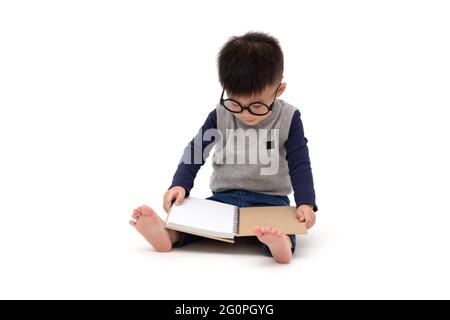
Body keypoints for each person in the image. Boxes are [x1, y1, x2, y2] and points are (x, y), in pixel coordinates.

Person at [130, 31, 317, 264]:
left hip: (270, 200)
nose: (245, 114)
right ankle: (169, 234)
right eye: (236, 103)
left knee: (281, 227)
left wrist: (306, 203)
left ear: (278, 90)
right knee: (195, 221)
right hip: (223, 199)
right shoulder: (221, 115)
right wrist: (180, 184)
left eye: (257, 106)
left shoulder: (289, 118)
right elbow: (196, 150)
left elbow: (300, 163)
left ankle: (279, 246)